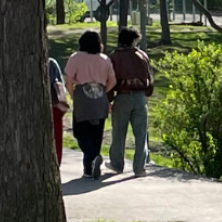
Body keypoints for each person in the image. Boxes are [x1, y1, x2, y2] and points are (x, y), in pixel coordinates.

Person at [65, 31, 115, 179]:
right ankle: (89, 169)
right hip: (100, 96)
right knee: (96, 133)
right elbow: (113, 81)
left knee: (80, 132)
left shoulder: (76, 58)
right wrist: (103, 91)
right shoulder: (104, 59)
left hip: (82, 95)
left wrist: (74, 96)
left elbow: (68, 81)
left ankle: (92, 158)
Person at [108, 28, 153, 177]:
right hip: (140, 97)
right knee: (141, 134)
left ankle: (117, 164)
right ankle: (140, 168)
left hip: (122, 96)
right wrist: (146, 94)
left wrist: (108, 99)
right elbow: (149, 77)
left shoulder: (114, 57)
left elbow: (110, 80)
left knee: (119, 132)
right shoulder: (142, 56)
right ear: (134, 40)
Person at [49, 57, 69, 168]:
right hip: (54, 105)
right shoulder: (51, 63)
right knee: (56, 138)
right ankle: (56, 164)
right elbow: (60, 83)